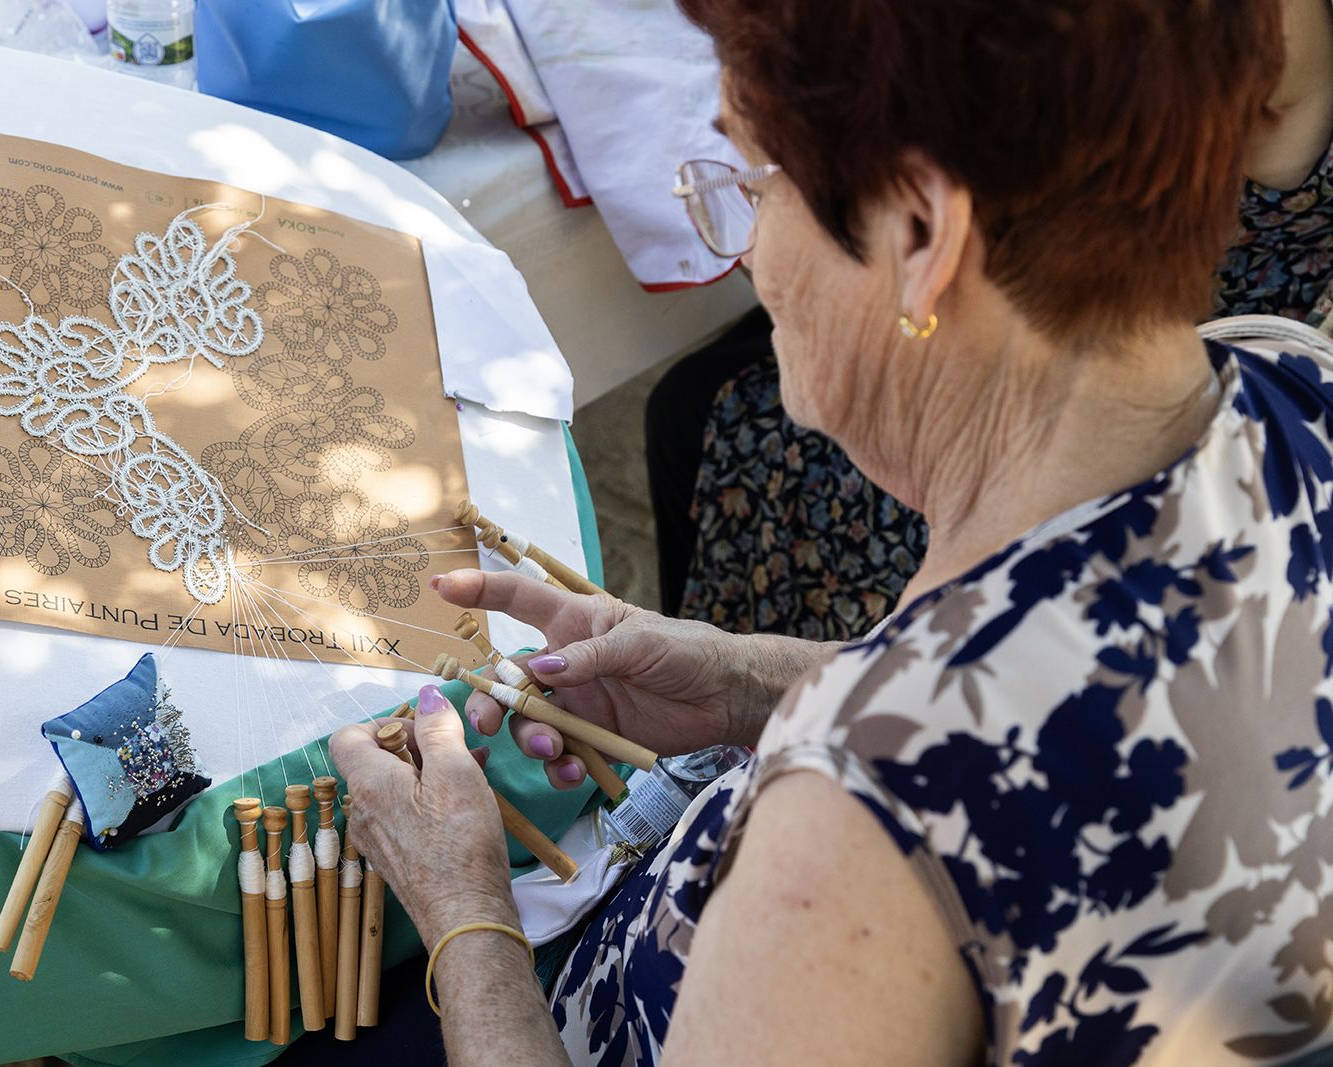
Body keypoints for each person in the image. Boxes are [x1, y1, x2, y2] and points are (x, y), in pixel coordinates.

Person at [332, 2, 1333, 1063]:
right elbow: (1075, 720)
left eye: (754, 182)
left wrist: (465, 913)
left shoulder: (855, 840)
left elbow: (943, 784)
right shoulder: (1286, 382)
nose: (752, 255)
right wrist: (747, 682)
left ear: (918, 232)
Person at [650, 0, 1333, 643]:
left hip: (1128, 281)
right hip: (1094, 278)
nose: (749, 247)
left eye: (760, 191)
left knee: (715, 408)